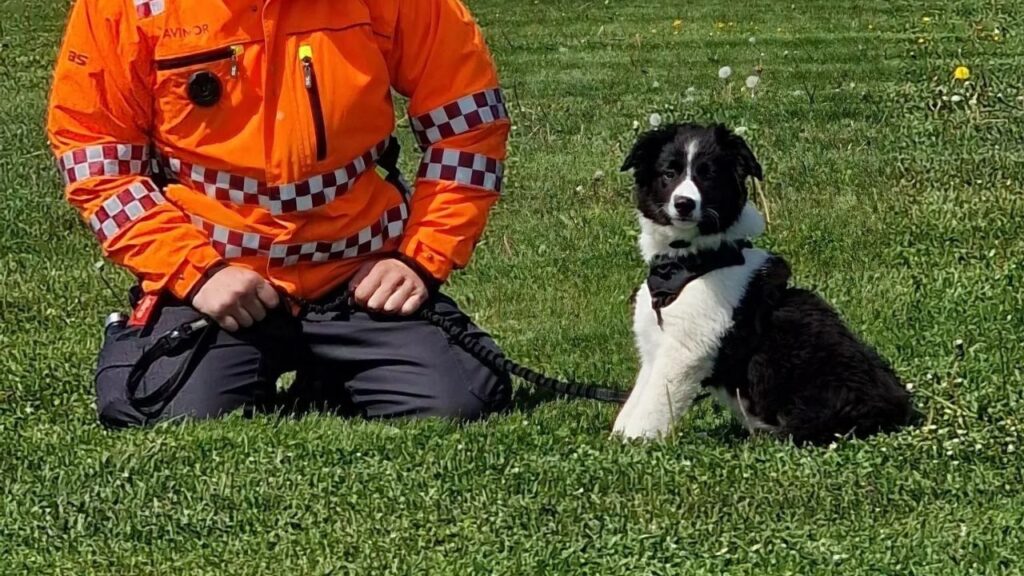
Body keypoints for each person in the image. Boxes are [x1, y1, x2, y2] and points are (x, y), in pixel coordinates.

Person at [47, 0, 512, 428]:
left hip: (359, 277)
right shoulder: (125, 7)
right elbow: (96, 161)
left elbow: (469, 123)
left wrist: (421, 259)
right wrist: (196, 272)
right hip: (216, 284)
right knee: (162, 410)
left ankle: (332, 371)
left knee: (463, 398)